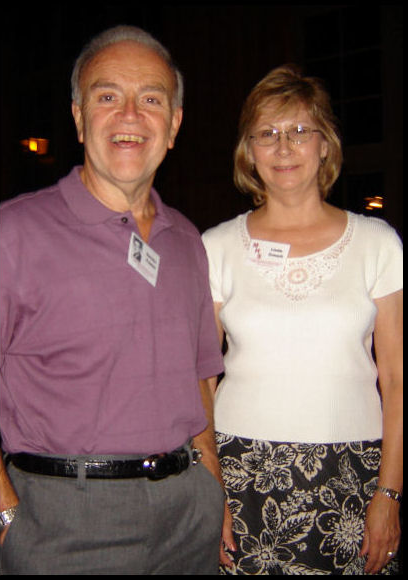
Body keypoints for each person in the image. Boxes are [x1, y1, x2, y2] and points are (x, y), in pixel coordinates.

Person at [0, 25, 229, 575]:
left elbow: (200, 378)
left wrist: (213, 488)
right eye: (107, 97)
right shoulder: (14, 233)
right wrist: (7, 518)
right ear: (79, 118)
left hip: (188, 515)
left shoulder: (187, 241)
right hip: (61, 524)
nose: (130, 115)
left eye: (151, 99)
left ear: (174, 124)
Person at [202, 64, 402, 575]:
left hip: (354, 468)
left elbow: (397, 379)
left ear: (325, 144)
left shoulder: (378, 243)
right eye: (266, 133)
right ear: (248, 151)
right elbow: (199, 378)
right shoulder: (215, 247)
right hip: (241, 471)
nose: (284, 147)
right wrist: (211, 488)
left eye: (298, 130)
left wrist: (390, 492)